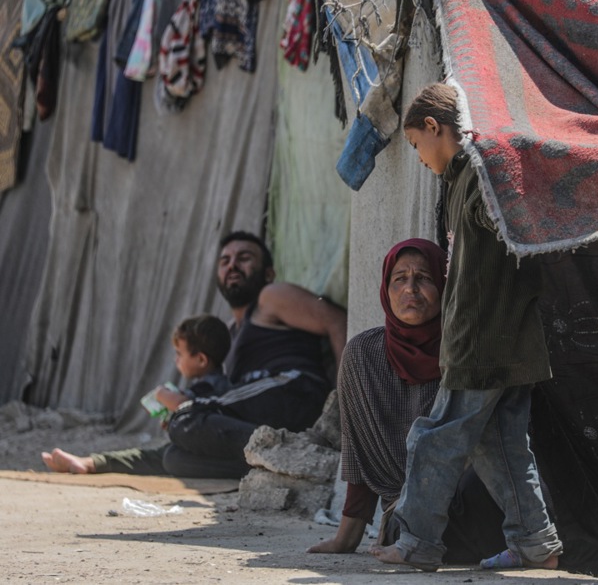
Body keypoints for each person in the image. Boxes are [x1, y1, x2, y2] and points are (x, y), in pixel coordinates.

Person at [372, 83, 563, 572]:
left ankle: (417, 543)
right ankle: (534, 543)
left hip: (481, 339)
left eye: (416, 143)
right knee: (498, 445)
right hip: (510, 342)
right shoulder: (463, 178)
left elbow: (511, 227)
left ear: (435, 128)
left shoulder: (481, 175)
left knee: (434, 437)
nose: (417, 156)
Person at [42, 231, 347, 479]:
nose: (232, 266)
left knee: (188, 417)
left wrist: (344, 404)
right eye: (225, 261)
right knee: (178, 455)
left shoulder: (271, 298)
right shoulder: (229, 332)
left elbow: (337, 322)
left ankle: (294, 453)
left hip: (293, 394)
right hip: (266, 419)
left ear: (268, 273)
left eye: (244, 258)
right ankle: (94, 463)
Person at [306, 238, 507, 563]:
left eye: (424, 278)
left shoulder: (467, 349)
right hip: (409, 520)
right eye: (399, 279)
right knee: (413, 526)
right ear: (386, 289)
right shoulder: (363, 355)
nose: (410, 289)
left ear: (445, 286)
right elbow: (360, 453)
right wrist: (347, 538)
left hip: (475, 499)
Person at [41, 314, 234, 476]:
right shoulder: (211, 384)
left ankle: (92, 464)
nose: (176, 360)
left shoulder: (213, 386)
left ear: (201, 359)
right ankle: (91, 463)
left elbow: (186, 406)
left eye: (179, 354)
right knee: (151, 456)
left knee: (166, 457)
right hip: (198, 449)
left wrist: (161, 394)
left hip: (209, 456)